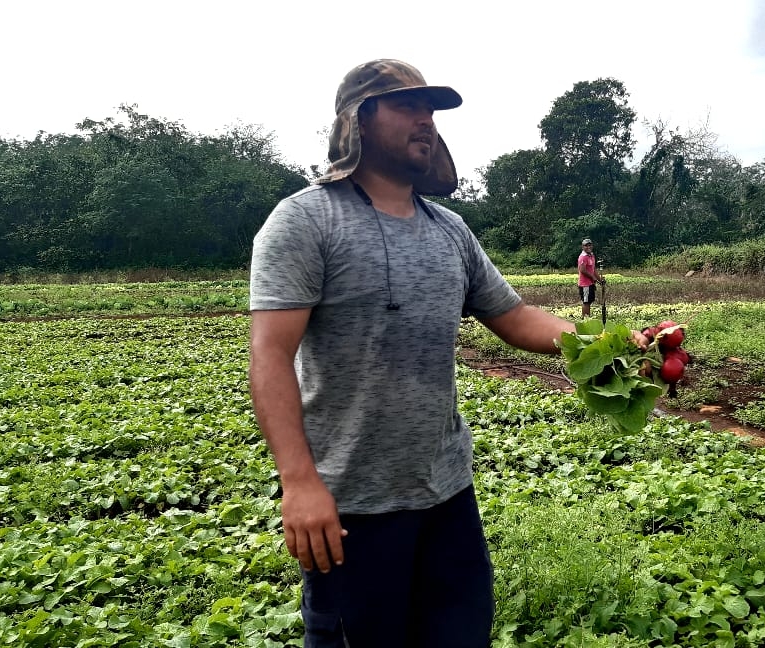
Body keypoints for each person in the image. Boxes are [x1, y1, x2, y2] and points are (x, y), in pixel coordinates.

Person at [248, 59, 646, 648]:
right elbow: (270, 355)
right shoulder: (307, 221)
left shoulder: (450, 230)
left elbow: (512, 317)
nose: (426, 122)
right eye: (408, 106)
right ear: (359, 119)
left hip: (446, 493)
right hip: (353, 505)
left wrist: (607, 345)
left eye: (431, 110)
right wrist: (300, 482)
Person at [577, 238, 606, 318]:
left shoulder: (591, 256)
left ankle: (588, 317)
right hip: (585, 284)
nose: (588, 247)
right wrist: (592, 277)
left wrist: (600, 280)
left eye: (589, 245)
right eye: (586, 246)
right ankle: (585, 318)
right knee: (586, 302)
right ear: (583, 247)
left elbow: (593, 270)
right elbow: (582, 270)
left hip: (590, 283)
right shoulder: (583, 257)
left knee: (589, 301)